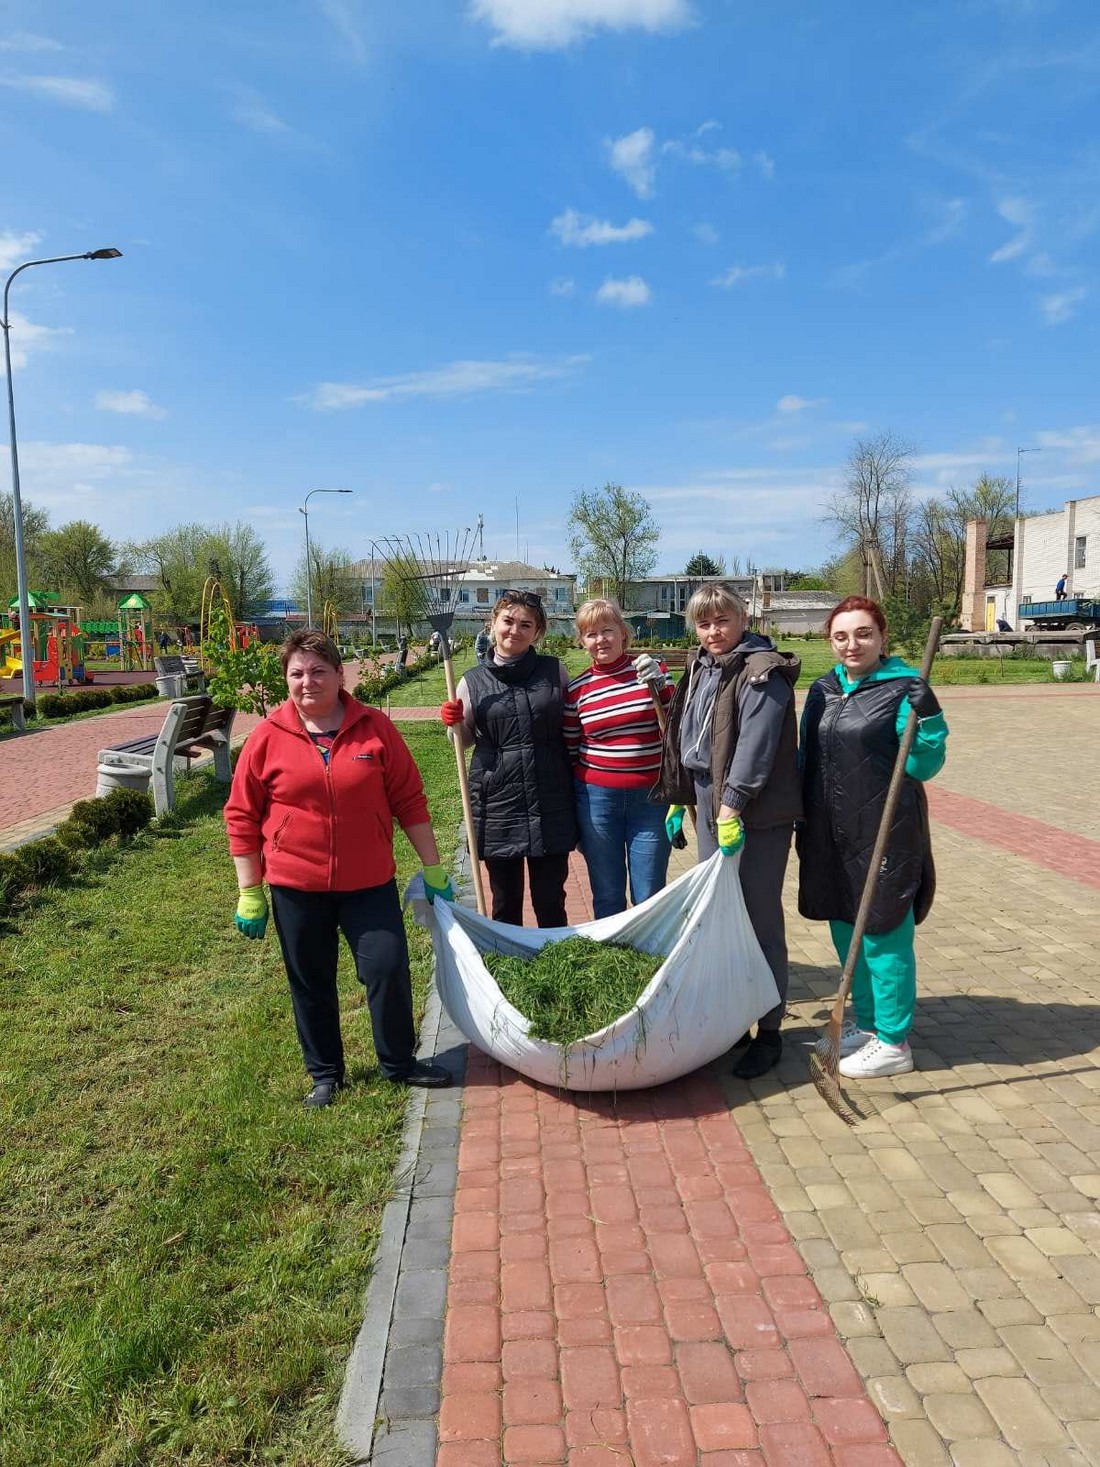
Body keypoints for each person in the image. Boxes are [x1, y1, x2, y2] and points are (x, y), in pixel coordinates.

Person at [225, 630, 455, 1107]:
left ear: (339, 674)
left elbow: (408, 799)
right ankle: (326, 1074)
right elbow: (241, 815)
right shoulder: (267, 737)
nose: (307, 681)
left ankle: (398, 1063)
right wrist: (250, 889)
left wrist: (433, 868)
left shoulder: (374, 728)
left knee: (388, 967)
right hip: (295, 886)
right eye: (296, 673)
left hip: (368, 883)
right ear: (286, 679)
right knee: (311, 979)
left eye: (317, 671)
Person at [653, 583, 801, 1079]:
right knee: (721, 916)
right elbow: (690, 736)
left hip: (750, 810)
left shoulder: (762, 672)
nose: (713, 631)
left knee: (758, 919)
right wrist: (681, 801)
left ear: (742, 618)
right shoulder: (702, 666)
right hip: (707, 800)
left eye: (722, 620)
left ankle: (771, 1028)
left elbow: (755, 749)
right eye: (703, 622)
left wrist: (732, 806)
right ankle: (736, 1018)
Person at [797, 596, 948, 1080]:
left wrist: (932, 721)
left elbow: (924, 765)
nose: (852, 644)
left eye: (863, 633)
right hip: (830, 831)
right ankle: (865, 1023)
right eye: (841, 636)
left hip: (886, 832)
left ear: (882, 636)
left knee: (884, 934)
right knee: (846, 927)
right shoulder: (823, 689)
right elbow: (807, 759)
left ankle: (893, 1040)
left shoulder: (905, 687)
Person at [440, 590, 576, 926]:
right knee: (505, 901)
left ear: (537, 632)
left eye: (525, 624)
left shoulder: (555, 672)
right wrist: (453, 724)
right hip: (497, 802)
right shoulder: (471, 682)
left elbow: (573, 725)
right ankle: (507, 964)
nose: (514, 630)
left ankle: (554, 962)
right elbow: (465, 741)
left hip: (550, 798)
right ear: (493, 624)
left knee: (550, 899)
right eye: (508, 621)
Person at [563, 599, 672, 917]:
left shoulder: (650, 671)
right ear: (582, 642)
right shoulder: (577, 690)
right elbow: (571, 748)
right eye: (591, 634)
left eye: (608, 630)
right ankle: (612, 959)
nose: (601, 640)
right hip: (598, 800)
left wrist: (660, 684)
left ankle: (650, 960)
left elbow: (675, 722)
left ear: (623, 633)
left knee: (649, 889)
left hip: (651, 799)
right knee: (607, 890)